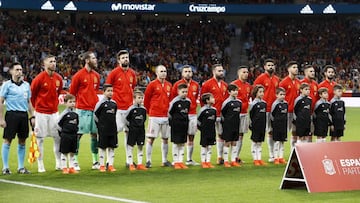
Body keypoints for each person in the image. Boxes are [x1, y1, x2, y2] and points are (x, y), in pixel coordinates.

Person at [31, 55, 63, 172]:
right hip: (41, 113)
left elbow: (58, 93)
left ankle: (58, 162)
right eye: (51, 62)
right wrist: (37, 109)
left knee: (57, 138)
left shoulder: (59, 78)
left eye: (54, 61)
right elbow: (33, 96)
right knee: (40, 139)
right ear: (44, 64)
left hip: (54, 113)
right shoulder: (39, 79)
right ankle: (40, 164)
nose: (53, 63)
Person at [0, 62, 33, 175]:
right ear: (11, 71)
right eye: (17, 69)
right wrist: (1, 119)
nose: (20, 71)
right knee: (8, 140)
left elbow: (29, 102)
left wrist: (32, 115)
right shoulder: (6, 85)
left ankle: (21, 167)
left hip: (23, 115)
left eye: (21, 69)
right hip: (11, 115)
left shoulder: (26, 85)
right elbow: (1, 102)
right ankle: (5, 167)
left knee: (22, 141)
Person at [69, 51, 100, 170]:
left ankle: (95, 161)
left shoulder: (97, 75)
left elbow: (95, 92)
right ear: (87, 60)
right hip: (81, 110)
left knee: (94, 135)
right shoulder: (78, 76)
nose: (96, 60)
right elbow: (72, 93)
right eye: (93, 58)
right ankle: (75, 161)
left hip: (94, 109)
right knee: (78, 135)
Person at [105, 50, 137, 167]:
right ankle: (109, 161)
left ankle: (129, 160)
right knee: (113, 133)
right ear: (119, 60)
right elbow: (107, 88)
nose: (125, 59)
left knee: (129, 134)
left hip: (129, 108)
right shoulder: (113, 73)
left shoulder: (132, 73)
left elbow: (133, 87)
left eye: (127, 57)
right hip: (117, 109)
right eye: (123, 58)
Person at [170, 65, 200, 166]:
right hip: (180, 116)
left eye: (189, 71)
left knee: (191, 137)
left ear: (192, 73)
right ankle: (177, 160)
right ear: (182, 73)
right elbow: (173, 100)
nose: (188, 73)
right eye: (186, 71)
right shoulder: (177, 84)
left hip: (192, 114)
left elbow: (195, 99)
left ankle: (189, 159)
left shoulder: (196, 84)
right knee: (179, 137)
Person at [143, 65, 172, 168]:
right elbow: (146, 100)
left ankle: (164, 160)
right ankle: (148, 161)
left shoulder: (169, 85)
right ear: (156, 73)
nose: (163, 73)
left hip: (165, 116)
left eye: (165, 71)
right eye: (161, 71)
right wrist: (150, 112)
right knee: (151, 138)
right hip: (154, 115)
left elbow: (171, 100)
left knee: (165, 139)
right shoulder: (152, 85)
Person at [200, 64, 228, 165]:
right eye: (219, 71)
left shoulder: (225, 85)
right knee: (209, 135)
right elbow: (202, 99)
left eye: (222, 71)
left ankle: (220, 157)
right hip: (210, 115)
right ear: (213, 72)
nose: (221, 73)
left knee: (221, 135)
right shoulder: (207, 84)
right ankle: (205, 160)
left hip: (221, 114)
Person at [253, 58, 279, 163]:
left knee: (272, 132)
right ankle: (257, 156)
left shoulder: (277, 79)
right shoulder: (260, 78)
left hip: (275, 109)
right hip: (263, 109)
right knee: (261, 131)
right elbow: (254, 92)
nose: (271, 67)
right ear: (264, 67)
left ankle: (272, 155)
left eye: (272, 65)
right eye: (268, 65)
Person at [94, 84, 118, 172]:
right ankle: (102, 165)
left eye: (112, 91)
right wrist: (100, 125)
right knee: (102, 147)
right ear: (103, 92)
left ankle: (110, 165)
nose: (110, 93)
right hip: (103, 129)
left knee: (112, 147)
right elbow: (95, 115)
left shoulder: (114, 103)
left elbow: (114, 115)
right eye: (108, 91)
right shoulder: (100, 103)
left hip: (112, 129)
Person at [231, 65, 252, 164]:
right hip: (234, 114)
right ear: (238, 73)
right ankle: (228, 157)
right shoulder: (234, 85)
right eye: (243, 72)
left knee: (240, 135)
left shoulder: (248, 86)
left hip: (244, 114)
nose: (246, 74)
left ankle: (236, 156)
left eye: (247, 72)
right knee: (232, 135)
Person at [169, 83, 191, 169]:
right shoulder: (174, 102)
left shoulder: (188, 101)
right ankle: (175, 161)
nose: (185, 93)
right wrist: (172, 122)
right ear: (178, 92)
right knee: (176, 143)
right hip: (176, 125)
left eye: (186, 91)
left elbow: (187, 112)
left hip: (184, 125)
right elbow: (169, 113)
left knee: (182, 143)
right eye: (183, 91)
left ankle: (181, 161)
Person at [279, 61, 300, 148]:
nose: (296, 69)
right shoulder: (283, 82)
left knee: (295, 132)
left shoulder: (299, 82)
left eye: (297, 67)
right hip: (286, 111)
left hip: (297, 112)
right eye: (294, 67)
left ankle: (293, 152)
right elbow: (279, 97)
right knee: (283, 132)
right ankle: (278, 155)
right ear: (288, 69)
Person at [125, 90, 147, 171]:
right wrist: (130, 127)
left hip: (141, 131)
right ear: (134, 99)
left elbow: (144, 119)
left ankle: (140, 164)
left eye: (142, 98)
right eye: (139, 98)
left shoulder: (144, 109)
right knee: (130, 146)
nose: (141, 100)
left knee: (140, 146)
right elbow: (126, 120)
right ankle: (130, 164)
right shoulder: (130, 109)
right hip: (132, 131)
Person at [221, 84, 242, 168]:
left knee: (234, 142)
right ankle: (226, 161)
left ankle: (233, 160)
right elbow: (223, 113)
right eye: (233, 90)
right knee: (227, 142)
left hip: (236, 125)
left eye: (236, 90)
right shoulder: (226, 102)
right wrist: (225, 123)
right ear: (229, 92)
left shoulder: (239, 102)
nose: (235, 92)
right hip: (228, 125)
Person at [57, 94, 79, 174]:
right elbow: (58, 124)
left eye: (74, 102)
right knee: (64, 152)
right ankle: (64, 168)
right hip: (66, 135)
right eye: (70, 102)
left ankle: (71, 167)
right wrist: (63, 133)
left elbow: (77, 124)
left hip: (74, 135)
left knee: (72, 152)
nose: (73, 103)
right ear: (65, 103)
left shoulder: (76, 114)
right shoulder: (64, 114)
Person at [197, 93, 217, 169]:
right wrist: (202, 128)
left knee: (210, 146)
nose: (214, 99)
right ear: (207, 100)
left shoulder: (214, 110)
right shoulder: (202, 110)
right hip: (204, 131)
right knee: (204, 146)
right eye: (212, 98)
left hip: (212, 131)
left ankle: (208, 161)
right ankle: (203, 162)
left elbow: (214, 120)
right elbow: (198, 121)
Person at [249, 85, 267, 166]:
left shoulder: (264, 103)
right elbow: (250, 115)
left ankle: (259, 158)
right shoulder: (253, 104)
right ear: (255, 93)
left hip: (262, 125)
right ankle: (255, 159)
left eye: (263, 92)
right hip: (255, 125)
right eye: (260, 92)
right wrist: (251, 124)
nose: (262, 93)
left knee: (260, 142)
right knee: (254, 141)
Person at [300, 65, 319, 142]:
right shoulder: (301, 83)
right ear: (305, 72)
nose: (313, 73)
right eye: (311, 71)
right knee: (300, 133)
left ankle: (309, 151)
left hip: (312, 113)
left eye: (313, 71)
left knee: (310, 133)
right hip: (303, 113)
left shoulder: (315, 84)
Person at [270, 87, 288, 165]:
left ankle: (281, 157)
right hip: (277, 125)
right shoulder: (275, 104)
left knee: (282, 142)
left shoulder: (286, 103)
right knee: (277, 142)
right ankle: (275, 157)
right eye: (281, 94)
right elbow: (272, 115)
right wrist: (275, 123)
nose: (283, 96)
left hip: (284, 125)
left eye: (284, 94)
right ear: (276, 95)